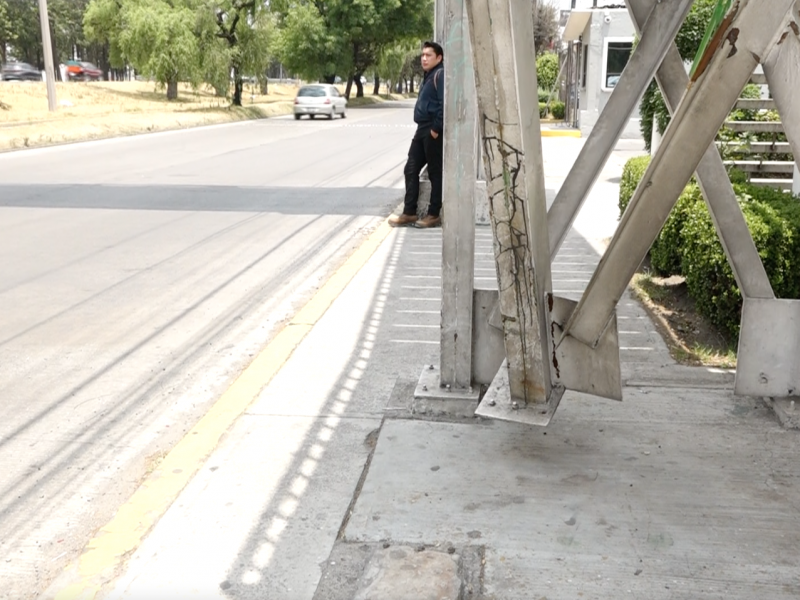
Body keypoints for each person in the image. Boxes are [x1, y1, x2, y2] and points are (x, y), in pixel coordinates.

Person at [389, 41, 444, 228]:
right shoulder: (428, 76)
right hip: (421, 130)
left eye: (428, 55)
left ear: (439, 58)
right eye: (423, 55)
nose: (424, 58)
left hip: (432, 131)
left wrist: (436, 130)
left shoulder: (440, 75)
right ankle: (409, 212)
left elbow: (444, 104)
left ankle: (433, 214)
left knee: (436, 174)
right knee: (410, 168)